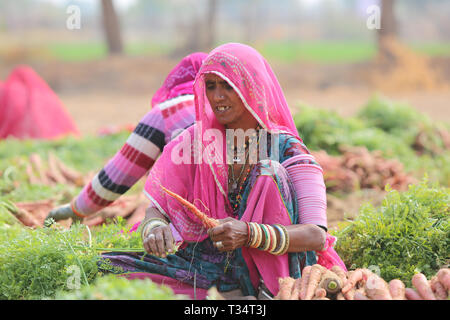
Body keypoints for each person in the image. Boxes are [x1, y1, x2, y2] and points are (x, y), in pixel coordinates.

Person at [98, 43, 342, 300]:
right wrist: (155, 226)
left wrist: (248, 234)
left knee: (268, 173)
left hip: (277, 274)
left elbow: (315, 235)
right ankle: (228, 295)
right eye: (211, 86)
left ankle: (266, 292)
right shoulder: (196, 141)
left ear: (253, 88)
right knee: (106, 267)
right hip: (211, 268)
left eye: (228, 86)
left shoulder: (287, 149)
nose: (217, 97)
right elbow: (157, 206)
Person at [46, 52, 208, 221]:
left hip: (192, 220)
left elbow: (117, 176)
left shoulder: (166, 113)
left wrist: (75, 209)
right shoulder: (228, 107)